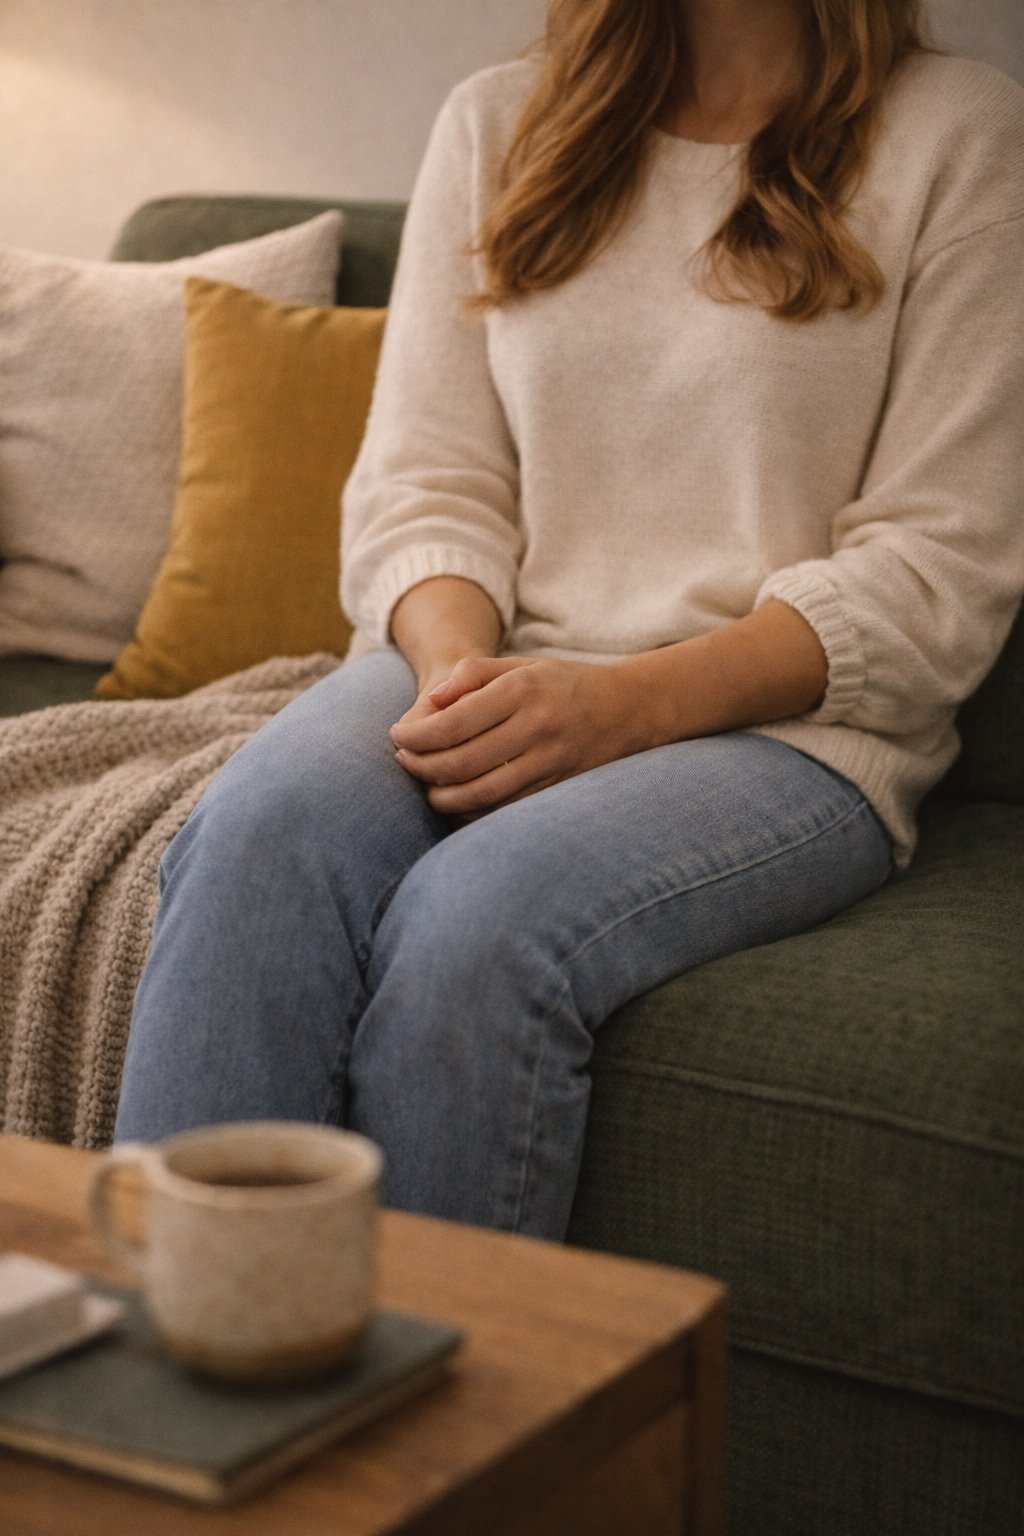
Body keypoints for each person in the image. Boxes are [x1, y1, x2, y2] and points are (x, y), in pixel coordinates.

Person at [114, 0, 1024, 1241]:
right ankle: (177, 1344)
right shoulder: (496, 122)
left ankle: (443, 1374)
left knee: (474, 925)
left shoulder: (962, 135)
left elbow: (938, 569)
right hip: (493, 652)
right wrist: (463, 680)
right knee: (256, 835)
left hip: (792, 729)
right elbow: (425, 484)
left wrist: (616, 708)